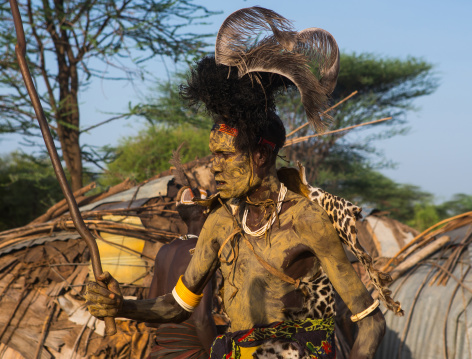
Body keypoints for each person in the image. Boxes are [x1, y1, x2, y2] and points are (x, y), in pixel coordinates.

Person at [85, 7, 385, 359]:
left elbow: (370, 321)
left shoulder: (307, 220)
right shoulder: (220, 223)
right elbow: (177, 307)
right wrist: (121, 306)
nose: (214, 168)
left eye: (225, 156)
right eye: (213, 155)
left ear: (260, 155)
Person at [147, 187, 217, 359]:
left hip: (162, 350)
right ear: (204, 212)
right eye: (215, 210)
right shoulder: (202, 253)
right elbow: (201, 321)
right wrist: (221, 355)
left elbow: (152, 317)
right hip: (191, 352)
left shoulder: (164, 251)